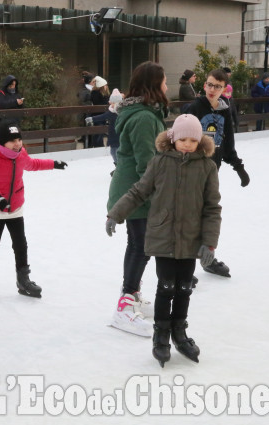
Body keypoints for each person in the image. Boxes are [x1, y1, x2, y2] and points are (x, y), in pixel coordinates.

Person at [106, 114, 221, 367]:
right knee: (166, 286)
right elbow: (139, 192)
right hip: (163, 236)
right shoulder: (159, 163)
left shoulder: (206, 167)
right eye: (183, 139)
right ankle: (161, 334)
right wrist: (116, 213)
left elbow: (212, 208)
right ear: (173, 138)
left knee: (184, 288)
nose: (188, 144)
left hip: (191, 239)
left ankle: (179, 331)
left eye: (193, 140)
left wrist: (209, 242)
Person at [107, 61, 169, 337]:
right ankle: (125, 305)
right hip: (136, 190)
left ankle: (132, 294)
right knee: (140, 245)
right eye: (165, 81)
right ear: (154, 85)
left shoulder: (144, 112)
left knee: (139, 244)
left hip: (132, 186)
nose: (167, 86)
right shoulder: (144, 117)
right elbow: (148, 163)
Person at [0, 121, 67, 299]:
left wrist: (53, 164)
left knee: (20, 244)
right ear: (2, 142)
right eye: (12, 141)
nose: (17, 143)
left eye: (19, 139)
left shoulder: (20, 154)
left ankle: (23, 279)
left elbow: (32, 164)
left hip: (15, 206)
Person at [187, 68, 249, 278]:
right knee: (190, 218)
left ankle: (208, 259)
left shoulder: (225, 109)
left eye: (218, 86)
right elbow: (179, 142)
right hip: (190, 172)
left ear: (224, 89)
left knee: (210, 217)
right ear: (205, 85)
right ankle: (184, 265)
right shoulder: (194, 108)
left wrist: (238, 167)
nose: (213, 89)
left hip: (212, 172)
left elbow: (227, 143)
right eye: (210, 84)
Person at [85, 88, 123, 172]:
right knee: (113, 152)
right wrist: (92, 119)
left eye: (113, 102)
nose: (110, 103)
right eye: (111, 102)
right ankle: (118, 167)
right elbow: (102, 117)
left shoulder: (123, 112)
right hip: (113, 136)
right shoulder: (111, 112)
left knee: (120, 153)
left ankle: (121, 169)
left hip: (122, 136)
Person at [89, 76, 111, 148]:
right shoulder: (95, 93)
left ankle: (99, 146)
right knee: (98, 132)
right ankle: (98, 146)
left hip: (103, 115)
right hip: (98, 114)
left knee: (100, 132)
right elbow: (98, 102)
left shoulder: (105, 93)